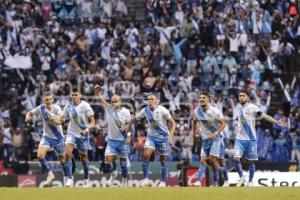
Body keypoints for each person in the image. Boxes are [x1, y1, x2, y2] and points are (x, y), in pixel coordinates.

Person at [234, 89, 287, 187]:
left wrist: (277, 122)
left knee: (251, 162)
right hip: (239, 139)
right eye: (240, 96)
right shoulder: (238, 109)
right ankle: (241, 177)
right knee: (236, 159)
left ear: (247, 97)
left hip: (251, 139)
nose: (241, 97)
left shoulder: (253, 107)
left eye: (243, 96)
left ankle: (250, 182)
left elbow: (265, 116)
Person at [124, 94, 176, 187]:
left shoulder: (163, 110)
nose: (150, 101)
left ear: (156, 101)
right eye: (148, 99)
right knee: (146, 155)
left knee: (163, 160)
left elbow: (173, 123)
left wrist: (171, 134)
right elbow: (136, 118)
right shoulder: (145, 110)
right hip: (151, 137)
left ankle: (163, 182)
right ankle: (145, 180)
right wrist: (128, 125)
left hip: (163, 137)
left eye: (152, 99)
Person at [25, 91, 67, 187]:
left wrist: (51, 115)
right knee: (40, 156)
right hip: (46, 136)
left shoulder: (56, 108)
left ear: (52, 100)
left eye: (50, 99)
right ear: (44, 100)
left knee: (63, 161)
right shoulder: (41, 108)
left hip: (58, 138)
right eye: (46, 100)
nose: (48, 101)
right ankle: (50, 174)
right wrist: (28, 116)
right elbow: (30, 113)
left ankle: (67, 176)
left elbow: (60, 121)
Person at [95, 85, 131, 187]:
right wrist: (98, 94)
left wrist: (128, 134)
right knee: (107, 162)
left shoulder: (126, 112)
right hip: (111, 141)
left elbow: (129, 124)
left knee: (123, 165)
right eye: (112, 101)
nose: (114, 103)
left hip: (122, 141)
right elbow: (102, 101)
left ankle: (124, 181)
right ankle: (114, 173)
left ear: (120, 102)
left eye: (116, 101)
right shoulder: (109, 109)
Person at [59, 89, 95, 187]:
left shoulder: (85, 105)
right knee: (67, 153)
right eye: (72, 95)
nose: (73, 96)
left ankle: (87, 178)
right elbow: (61, 118)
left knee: (83, 158)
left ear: (79, 95)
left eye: (75, 94)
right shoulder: (68, 105)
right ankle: (70, 178)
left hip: (83, 134)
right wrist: (55, 119)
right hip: (71, 132)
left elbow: (93, 122)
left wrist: (86, 130)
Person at [192, 92, 226, 187]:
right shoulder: (196, 111)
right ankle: (220, 171)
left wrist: (216, 132)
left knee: (212, 159)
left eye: (204, 97)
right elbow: (194, 122)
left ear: (208, 99)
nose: (201, 99)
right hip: (205, 139)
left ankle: (201, 181)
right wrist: (194, 135)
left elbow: (223, 123)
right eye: (200, 97)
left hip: (216, 138)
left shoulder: (215, 111)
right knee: (205, 161)